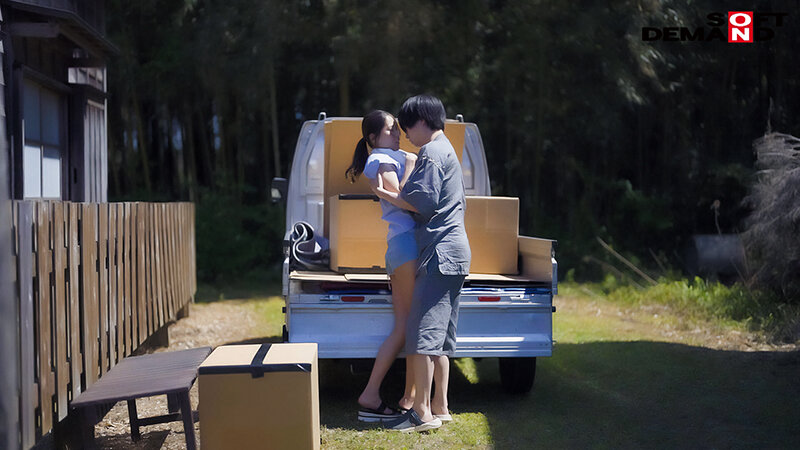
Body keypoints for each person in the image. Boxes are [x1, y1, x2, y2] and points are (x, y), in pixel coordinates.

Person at [382, 95, 471, 432]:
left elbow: (421, 201)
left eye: (406, 127)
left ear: (421, 120)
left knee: (420, 333)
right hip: (456, 252)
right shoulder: (447, 149)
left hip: (439, 252)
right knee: (440, 338)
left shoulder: (431, 152)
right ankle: (441, 406)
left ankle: (421, 413)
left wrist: (384, 192)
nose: (405, 134)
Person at [345, 110, 418, 423]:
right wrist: (411, 165)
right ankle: (405, 398)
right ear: (373, 138)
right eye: (391, 130)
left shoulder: (384, 156)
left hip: (400, 246)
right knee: (411, 327)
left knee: (404, 326)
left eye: (398, 129)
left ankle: (378, 394)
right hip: (408, 245)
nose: (398, 134)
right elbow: (401, 196)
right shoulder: (382, 158)